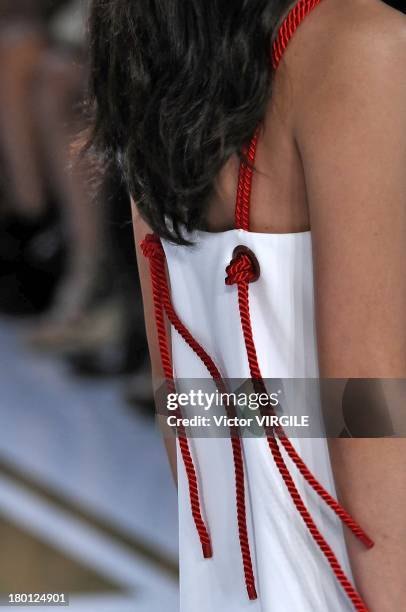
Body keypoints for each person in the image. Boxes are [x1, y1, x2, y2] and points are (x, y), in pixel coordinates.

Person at [86, 0, 406, 610]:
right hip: (353, 576)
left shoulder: (147, 42)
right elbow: (366, 404)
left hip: (240, 574)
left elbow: (180, 393)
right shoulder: (358, 45)